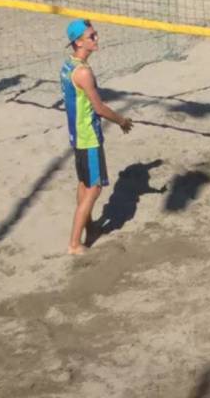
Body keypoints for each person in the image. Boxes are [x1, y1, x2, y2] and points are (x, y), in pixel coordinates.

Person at [60, 19, 133, 255]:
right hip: (88, 136)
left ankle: (89, 226)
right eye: (92, 36)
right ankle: (74, 244)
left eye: (96, 34)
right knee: (94, 189)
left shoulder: (68, 66)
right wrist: (121, 121)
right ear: (79, 42)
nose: (96, 38)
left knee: (84, 183)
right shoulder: (83, 72)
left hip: (76, 134)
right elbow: (99, 108)